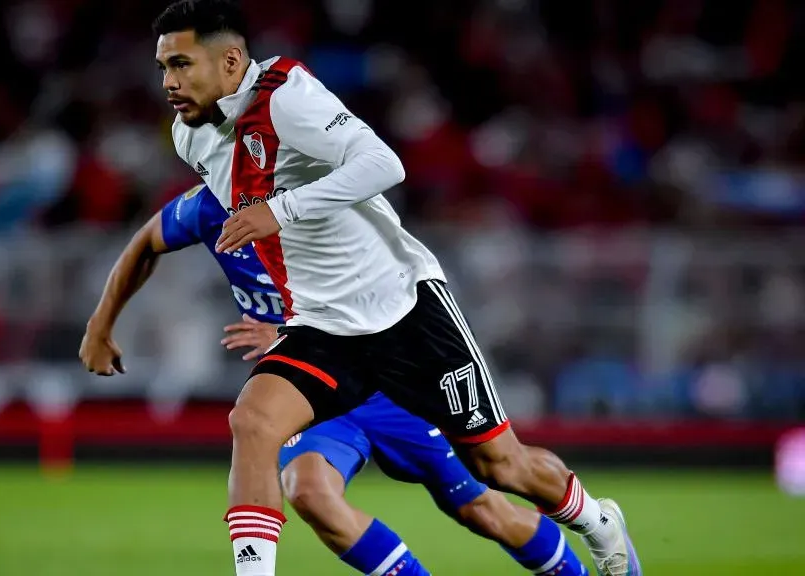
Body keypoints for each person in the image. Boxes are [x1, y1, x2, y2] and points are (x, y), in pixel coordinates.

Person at [152, 1, 640, 575]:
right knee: (253, 423)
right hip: (323, 325)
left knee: (500, 468)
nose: (169, 82)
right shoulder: (191, 137)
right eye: (163, 68)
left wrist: (280, 211)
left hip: (403, 310)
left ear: (231, 61)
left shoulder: (286, 96)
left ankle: (597, 520)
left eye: (181, 64)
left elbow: (384, 164)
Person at [80, 183, 591, 576]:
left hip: (386, 380)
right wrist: (100, 325)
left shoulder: (325, 194)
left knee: (482, 508)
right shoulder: (208, 205)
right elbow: (147, 240)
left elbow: (390, 286)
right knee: (307, 489)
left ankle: (596, 539)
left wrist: (291, 330)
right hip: (312, 389)